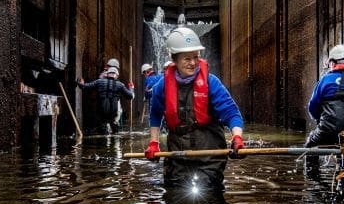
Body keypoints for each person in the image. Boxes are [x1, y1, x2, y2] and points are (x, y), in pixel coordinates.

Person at [144, 27, 246, 192]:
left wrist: (237, 138)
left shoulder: (211, 83)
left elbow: (232, 114)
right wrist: (154, 143)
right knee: (176, 198)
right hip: (177, 157)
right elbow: (155, 115)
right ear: (174, 60)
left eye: (196, 57)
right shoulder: (161, 86)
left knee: (208, 198)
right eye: (186, 58)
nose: (193, 63)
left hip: (209, 157)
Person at [77, 66, 134, 134]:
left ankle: (104, 134)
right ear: (116, 75)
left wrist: (80, 83)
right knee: (114, 129)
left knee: (103, 128)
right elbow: (130, 96)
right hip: (113, 112)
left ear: (107, 74)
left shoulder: (99, 82)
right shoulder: (120, 85)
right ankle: (114, 134)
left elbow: (84, 87)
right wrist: (131, 88)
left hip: (102, 112)